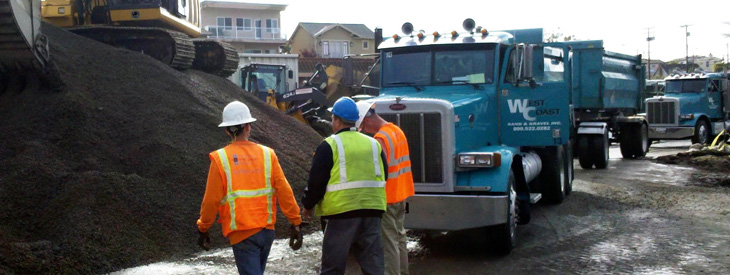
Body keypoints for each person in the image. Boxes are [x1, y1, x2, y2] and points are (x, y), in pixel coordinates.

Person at [197, 101, 302, 275]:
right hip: (267, 232)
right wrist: (295, 222)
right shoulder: (268, 154)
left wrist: (203, 227)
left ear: (227, 130)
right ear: (248, 127)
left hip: (242, 235)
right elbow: (285, 191)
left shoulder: (221, 159)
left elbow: (211, 200)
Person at [301, 97, 388, 275]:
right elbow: (384, 174)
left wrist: (308, 206)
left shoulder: (329, 145)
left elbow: (316, 182)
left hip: (342, 213)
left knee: (333, 266)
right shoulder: (373, 144)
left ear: (338, 120)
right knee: (373, 265)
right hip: (373, 210)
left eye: (333, 118)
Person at [356, 101, 414, 275]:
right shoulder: (396, 131)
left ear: (366, 121)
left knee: (389, 244)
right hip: (401, 193)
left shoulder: (380, 138)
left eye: (362, 128)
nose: (365, 131)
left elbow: (378, 171)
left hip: (387, 198)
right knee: (400, 238)